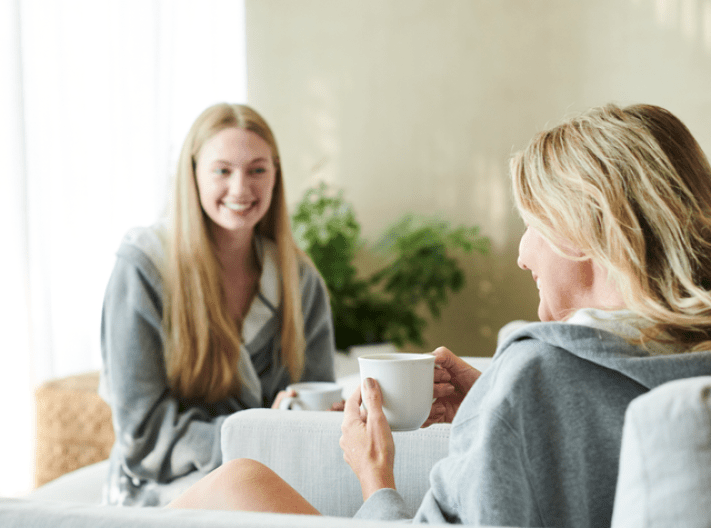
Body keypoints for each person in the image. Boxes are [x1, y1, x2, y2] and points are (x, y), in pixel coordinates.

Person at [167, 103, 711, 527]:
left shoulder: (536, 373)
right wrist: (489, 402)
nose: (523, 255)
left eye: (535, 225)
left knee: (236, 484)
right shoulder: (684, 365)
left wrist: (374, 474)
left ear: (588, 227)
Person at [98, 102, 338, 506]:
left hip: (271, 476)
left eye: (257, 169)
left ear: (276, 175)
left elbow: (316, 403)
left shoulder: (298, 280)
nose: (241, 189)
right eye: (222, 170)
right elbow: (143, 436)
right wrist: (260, 434)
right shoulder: (144, 267)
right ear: (192, 175)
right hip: (159, 484)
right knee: (244, 488)